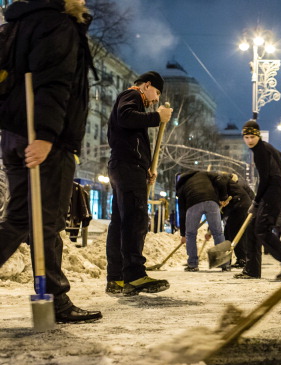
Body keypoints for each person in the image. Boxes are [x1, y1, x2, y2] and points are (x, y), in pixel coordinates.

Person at [0, 0, 102, 323]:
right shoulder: (56, 25)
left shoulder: (14, 24)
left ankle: (54, 296)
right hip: (47, 140)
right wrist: (45, 136)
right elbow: (55, 81)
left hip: (14, 135)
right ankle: (55, 299)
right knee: (48, 221)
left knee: (18, 218)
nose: (83, 1)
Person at [105, 71, 173, 296]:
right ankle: (134, 275)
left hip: (124, 167)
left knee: (120, 224)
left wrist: (145, 170)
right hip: (127, 168)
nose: (155, 99)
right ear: (146, 85)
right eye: (156, 93)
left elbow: (129, 138)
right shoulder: (131, 96)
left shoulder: (133, 100)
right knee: (135, 220)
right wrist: (157, 117)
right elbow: (126, 117)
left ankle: (116, 279)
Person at [241, 120, 281, 280]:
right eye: (246, 137)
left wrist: (256, 201)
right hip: (275, 191)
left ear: (258, 135)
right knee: (253, 226)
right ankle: (252, 270)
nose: (249, 140)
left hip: (273, 192)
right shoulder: (267, 148)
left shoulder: (261, 151)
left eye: (252, 136)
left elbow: (266, 178)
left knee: (262, 229)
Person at [176, 170, 229, 272]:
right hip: (211, 202)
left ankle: (192, 264)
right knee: (218, 232)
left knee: (190, 234)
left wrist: (183, 234)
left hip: (193, 204)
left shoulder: (182, 187)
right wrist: (223, 197)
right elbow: (222, 180)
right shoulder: (205, 174)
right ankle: (224, 264)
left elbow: (182, 212)